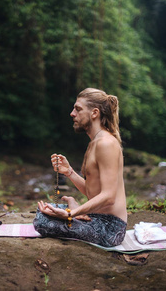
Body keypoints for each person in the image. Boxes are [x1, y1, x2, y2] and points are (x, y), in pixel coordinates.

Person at [33, 88, 127, 247]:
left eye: (78, 109)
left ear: (94, 113)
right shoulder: (95, 142)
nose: (72, 113)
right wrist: (69, 172)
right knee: (45, 210)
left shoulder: (106, 144)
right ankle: (78, 212)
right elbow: (95, 191)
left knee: (42, 222)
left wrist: (73, 213)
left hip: (110, 228)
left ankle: (78, 213)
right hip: (96, 217)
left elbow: (109, 196)